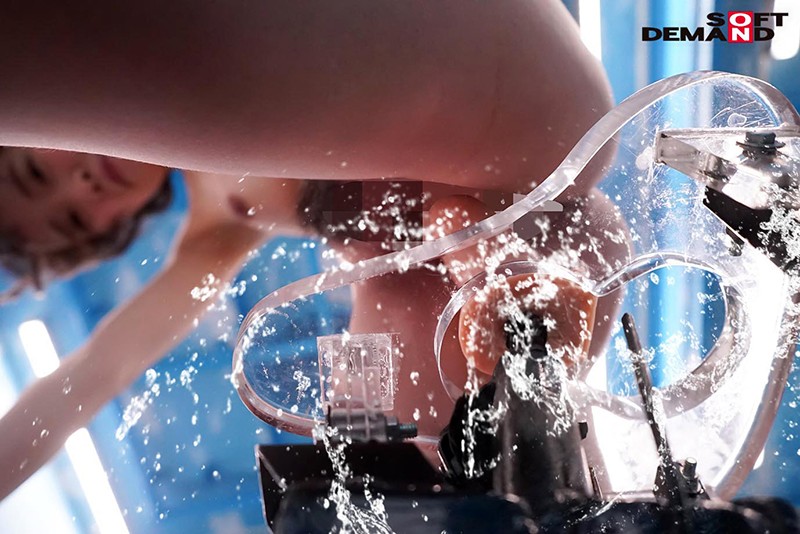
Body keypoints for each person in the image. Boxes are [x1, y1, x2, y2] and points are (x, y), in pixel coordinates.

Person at [0, 0, 616, 500]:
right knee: (379, 455)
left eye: (35, 173)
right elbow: (95, 373)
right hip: (485, 240)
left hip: (494, 192)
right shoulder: (218, 233)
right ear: (114, 229)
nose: (80, 186)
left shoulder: (174, 73)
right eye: (74, 220)